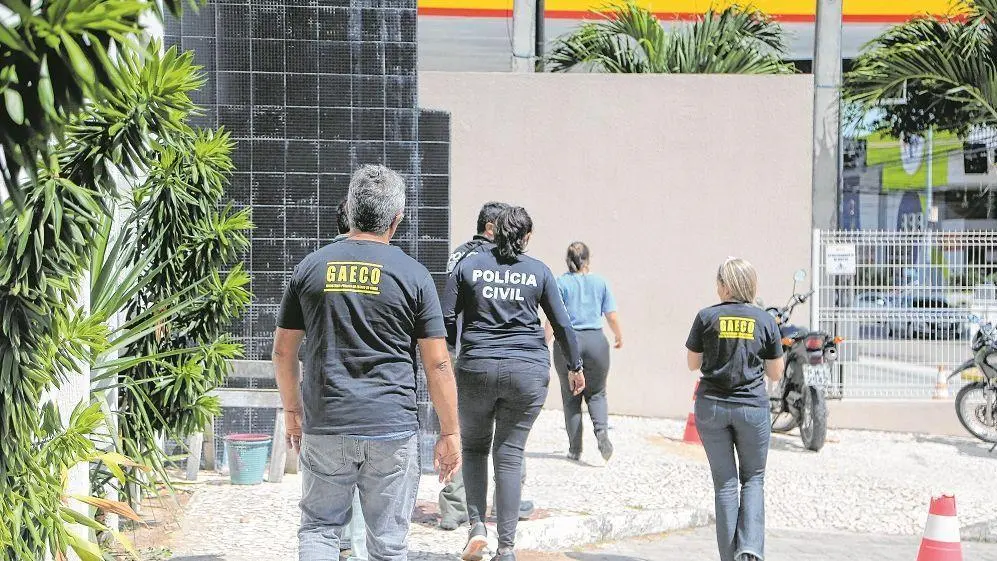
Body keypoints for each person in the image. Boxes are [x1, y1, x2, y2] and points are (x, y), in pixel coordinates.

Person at [273, 165, 463, 561]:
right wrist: (450, 433)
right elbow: (438, 364)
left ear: (351, 207)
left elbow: (283, 351)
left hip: (326, 423)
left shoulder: (311, 267)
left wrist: (292, 411)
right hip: (391, 426)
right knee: (388, 544)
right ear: (397, 219)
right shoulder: (414, 275)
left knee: (319, 530)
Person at [444, 206, 584, 561]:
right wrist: (575, 366)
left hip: (477, 367)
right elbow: (563, 325)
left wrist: (453, 354)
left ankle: (477, 528)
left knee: (475, 448)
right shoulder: (539, 271)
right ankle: (506, 548)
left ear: (493, 231)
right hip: (527, 371)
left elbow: (446, 316)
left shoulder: (469, 267)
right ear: (526, 237)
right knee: (509, 454)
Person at [438, 202, 535, 531]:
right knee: (506, 441)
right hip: (489, 353)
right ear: (493, 228)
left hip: (463, 356)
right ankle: (511, 501)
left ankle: (453, 507)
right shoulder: (495, 260)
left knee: (467, 437)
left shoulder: (458, 255)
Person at [685, 257, 784, 561]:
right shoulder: (765, 320)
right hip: (751, 408)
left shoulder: (706, 317)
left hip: (711, 407)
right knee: (753, 478)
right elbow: (776, 373)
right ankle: (751, 549)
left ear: (724, 286)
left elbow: (692, 364)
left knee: (726, 485)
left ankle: (729, 558)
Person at [547, 242, 623, 462]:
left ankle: (575, 449)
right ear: (588, 260)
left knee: (571, 396)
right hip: (596, 342)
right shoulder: (600, 282)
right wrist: (619, 335)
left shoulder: (561, 283)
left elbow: (554, 317)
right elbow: (611, 315)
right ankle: (602, 435)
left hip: (569, 344)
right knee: (597, 392)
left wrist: (544, 340)